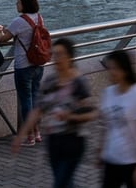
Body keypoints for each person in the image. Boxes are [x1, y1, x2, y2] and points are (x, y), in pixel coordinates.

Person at [12, 38, 97, 188]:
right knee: (64, 181)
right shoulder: (50, 81)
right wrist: (21, 135)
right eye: (54, 54)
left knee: (60, 183)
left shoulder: (78, 82)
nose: (56, 59)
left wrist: (70, 117)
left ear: (70, 57)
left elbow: (92, 113)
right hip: (54, 141)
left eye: (60, 54)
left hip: (73, 141)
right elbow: (38, 110)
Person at [0, 0, 46, 146]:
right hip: (38, 64)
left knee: (26, 101)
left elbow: (4, 39)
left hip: (23, 66)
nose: (16, 4)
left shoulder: (19, 21)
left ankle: (29, 136)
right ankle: (37, 133)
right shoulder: (39, 18)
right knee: (35, 98)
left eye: (18, 1)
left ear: (24, 3)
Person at [97, 50, 136, 188]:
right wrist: (100, 149)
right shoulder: (108, 93)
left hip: (132, 161)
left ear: (125, 69)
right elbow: (107, 125)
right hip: (111, 158)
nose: (111, 72)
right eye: (109, 68)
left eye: (115, 68)